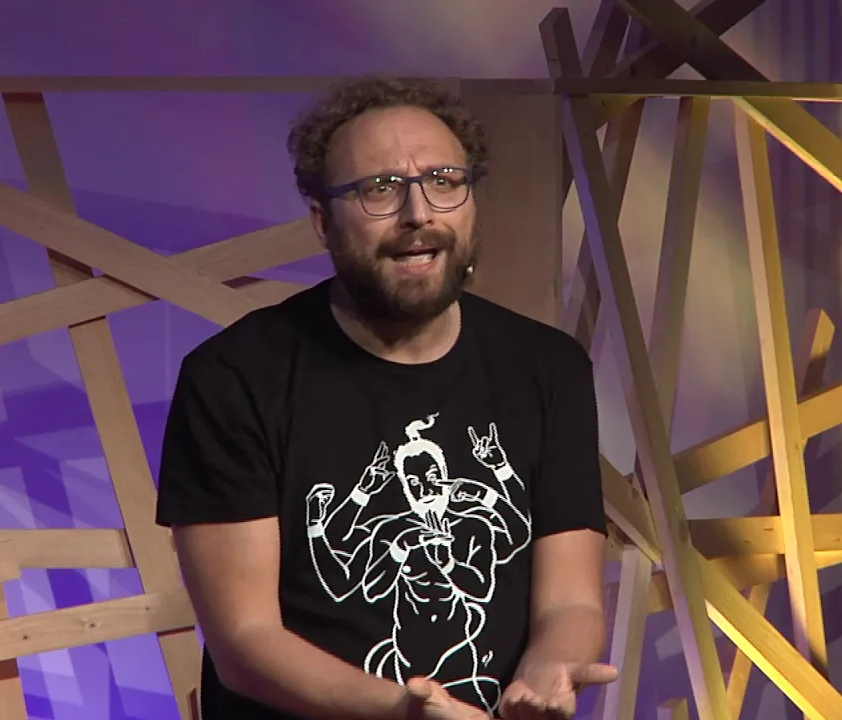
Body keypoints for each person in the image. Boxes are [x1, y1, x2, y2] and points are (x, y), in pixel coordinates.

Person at [155, 75, 617, 720]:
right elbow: (246, 642)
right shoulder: (234, 378)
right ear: (322, 221)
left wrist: (549, 671)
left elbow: (571, 601)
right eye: (379, 189)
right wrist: (405, 712)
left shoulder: (548, 367)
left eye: (444, 181)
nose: (418, 213)